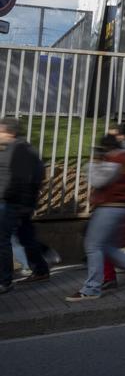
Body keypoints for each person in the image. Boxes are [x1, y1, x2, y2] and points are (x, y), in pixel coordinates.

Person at [66, 136, 125, 301]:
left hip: (110, 207)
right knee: (109, 248)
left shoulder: (115, 158)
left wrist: (94, 162)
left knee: (93, 246)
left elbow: (98, 180)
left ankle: (91, 288)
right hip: (121, 208)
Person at [0, 117, 50, 294]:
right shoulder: (17, 148)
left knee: (3, 241)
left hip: (11, 203)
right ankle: (41, 269)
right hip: (18, 203)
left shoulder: (19, 150)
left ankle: (5, 281)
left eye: (1, 131)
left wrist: (10, 198)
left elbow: (20, 181)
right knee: (24, 236)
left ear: (10, 132)